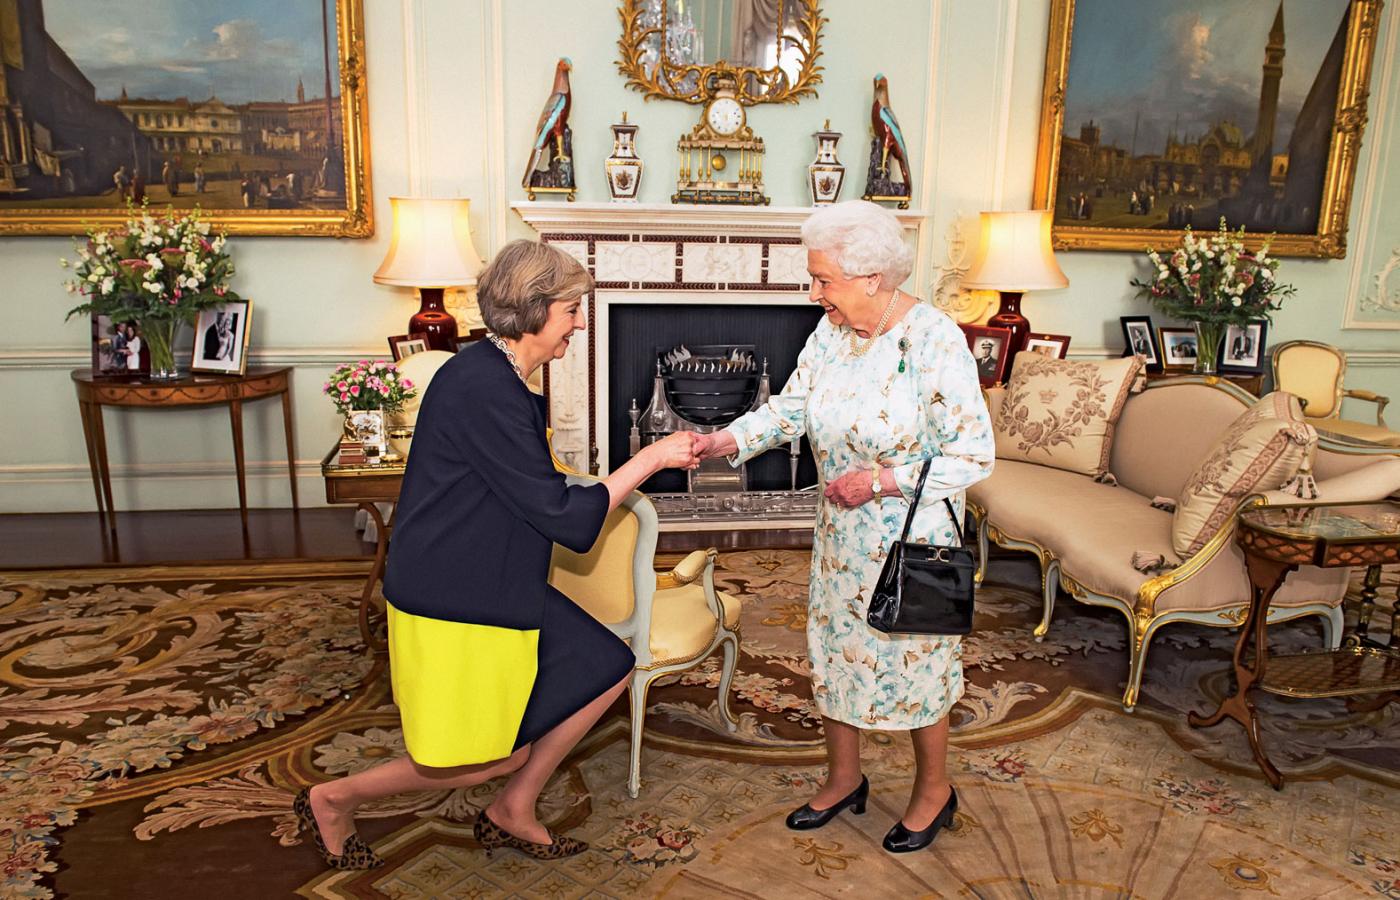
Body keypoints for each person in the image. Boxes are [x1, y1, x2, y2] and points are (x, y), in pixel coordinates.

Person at [297, 240, 703, 870]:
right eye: (571, 310)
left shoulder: (496, 374)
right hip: (455, 593)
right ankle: (332, 798)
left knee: (607, 665)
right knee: (489, 756)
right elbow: (564, 518)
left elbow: (532, 486)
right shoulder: (484, 387)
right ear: (535, 310)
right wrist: (650, 459)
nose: (580, 324)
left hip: (497, 574)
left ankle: (514, 807)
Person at [693, 200, 995, 854]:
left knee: (917, 662)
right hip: (841, 538)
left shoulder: (934, 340)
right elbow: (790, 410)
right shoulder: (830, 333)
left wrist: (879, 481)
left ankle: (934, 791)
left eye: (823, 279)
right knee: (835, 653)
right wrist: (722, 441)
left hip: (912, 539)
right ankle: (843, 778)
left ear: (871, 279)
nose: (814, 293)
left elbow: (973, 455)